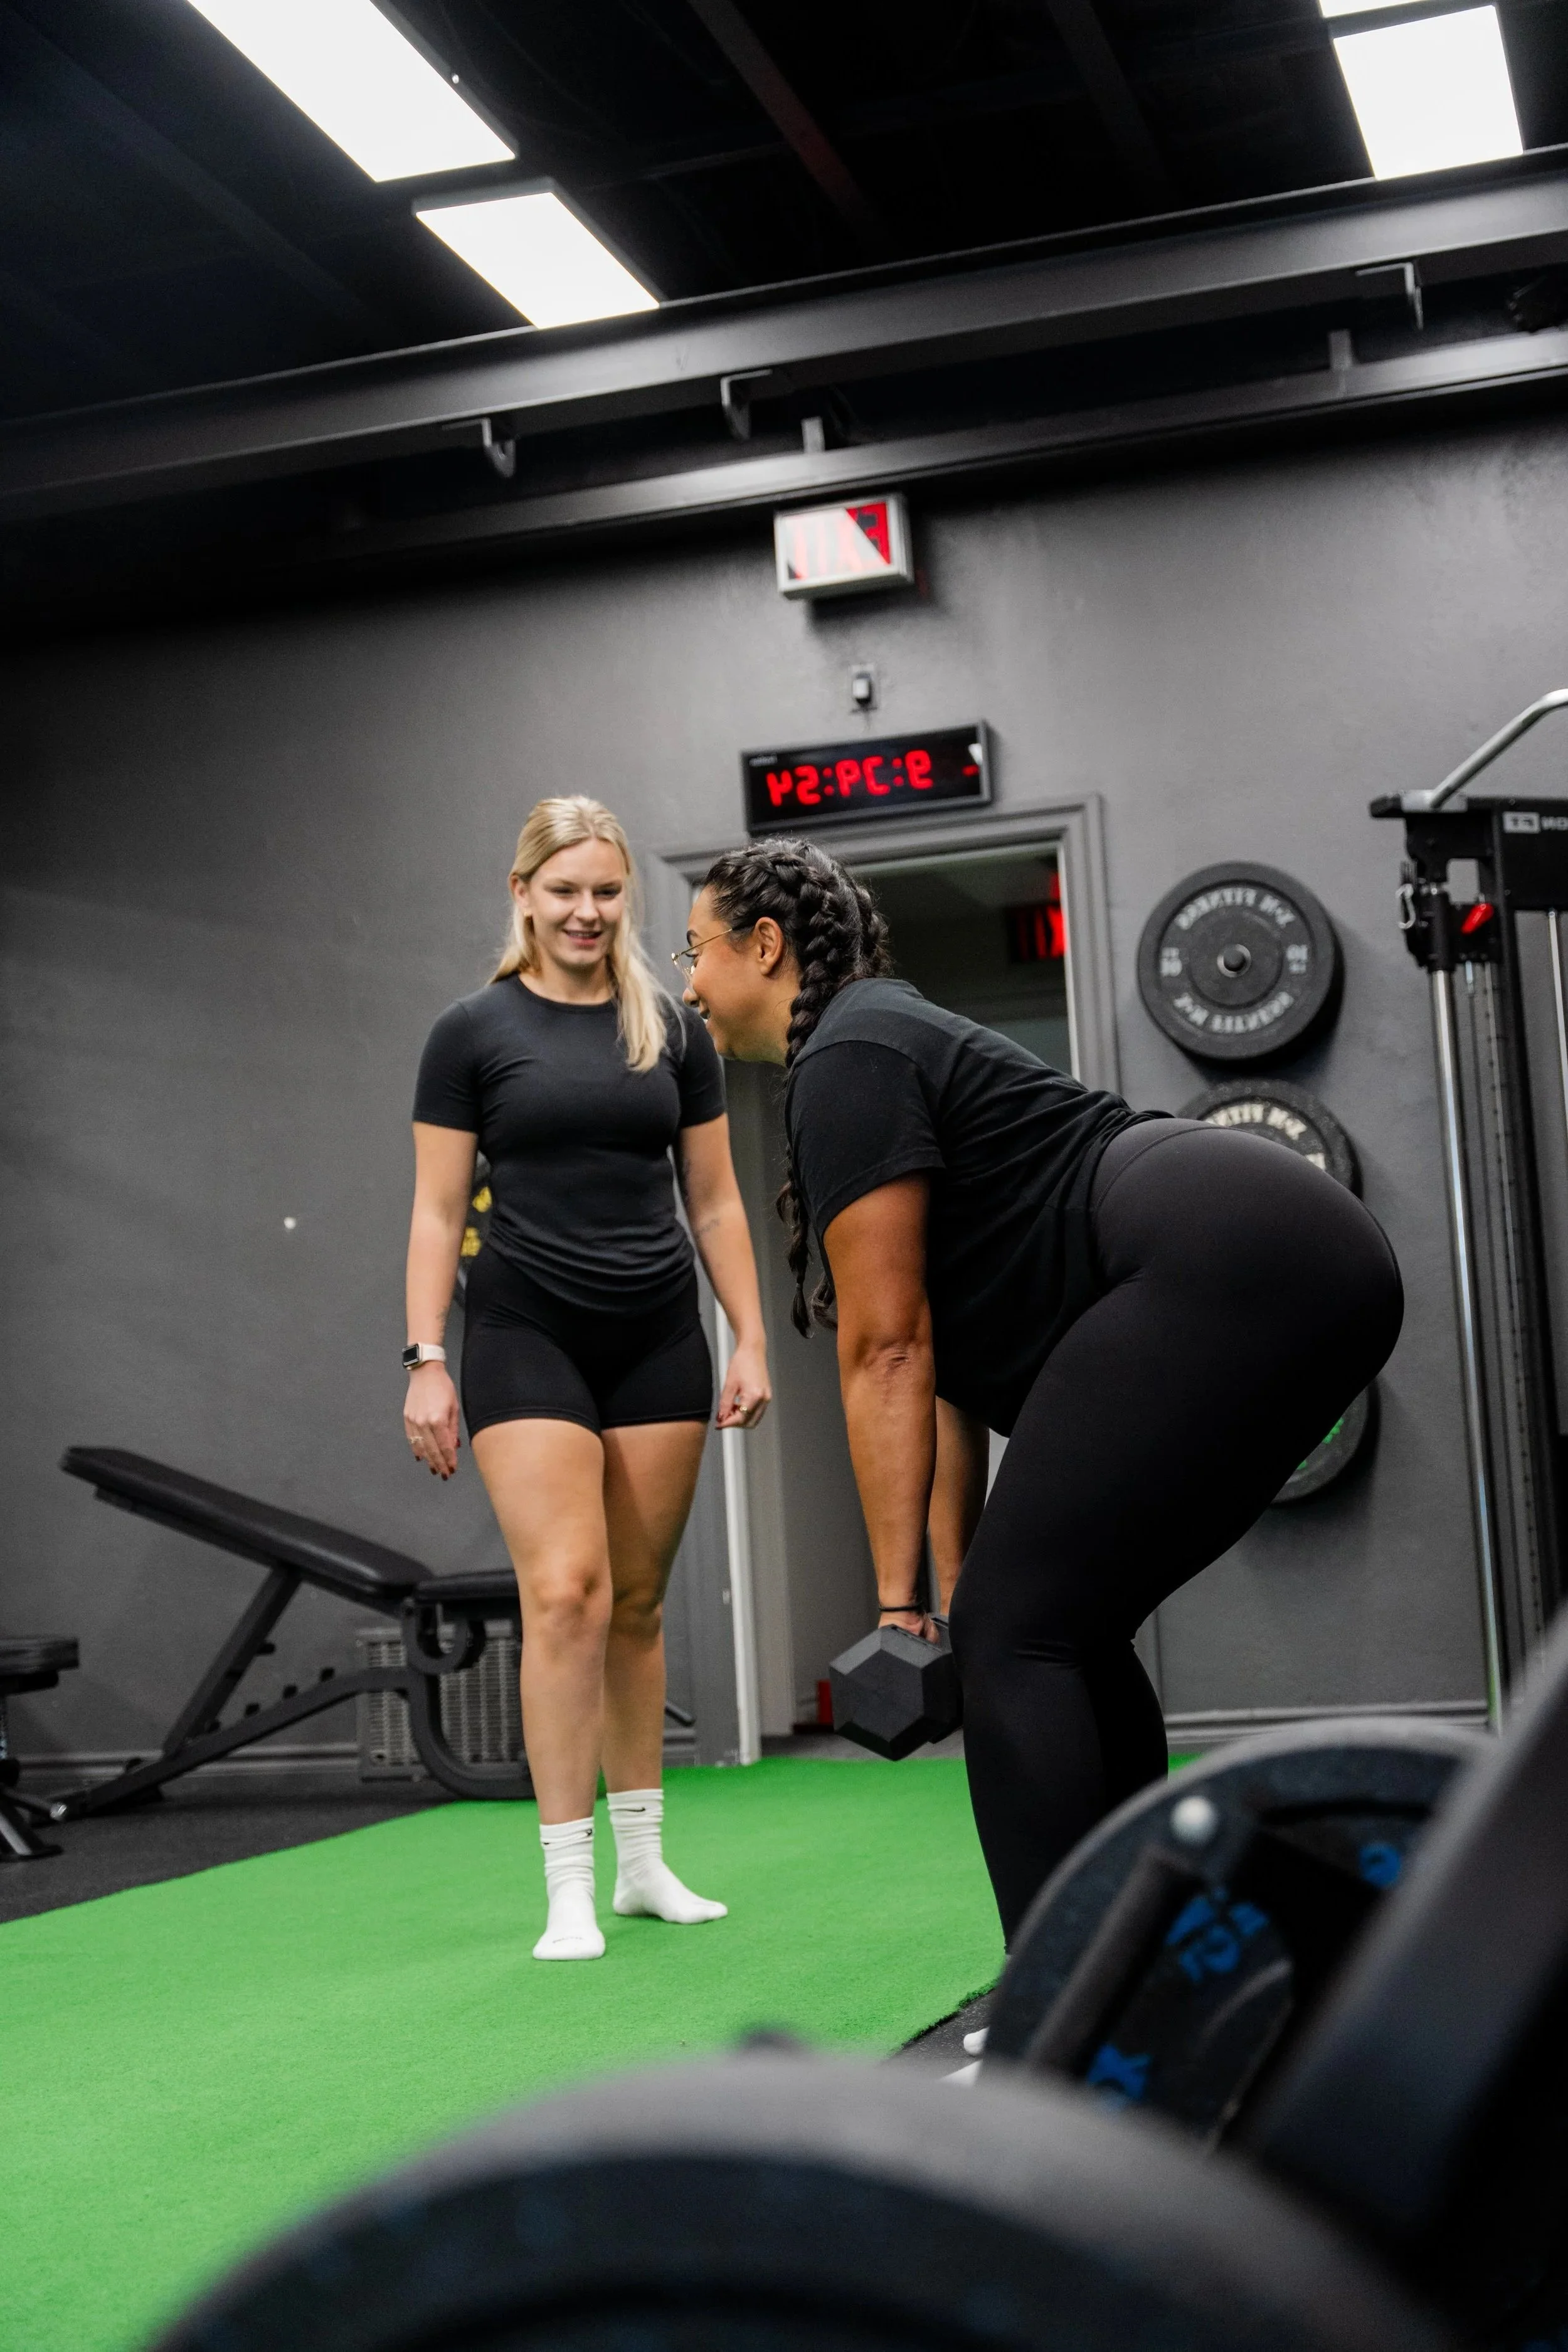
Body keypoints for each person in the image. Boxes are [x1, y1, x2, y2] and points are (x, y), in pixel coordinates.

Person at [681, 837, 1402, 1941]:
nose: (688, 984)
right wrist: (959, 1591)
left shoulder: (846, 1052)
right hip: (1297, 1252)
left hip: (1226, 1251)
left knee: (1026, 1633)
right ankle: (1145, 1966)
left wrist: (894, 1606)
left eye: (694, 952)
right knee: (1059, 1624)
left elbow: (887, 1348)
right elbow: (947, 1381)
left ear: (763, 945)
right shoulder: (882, 1035)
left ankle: (1067, 1998)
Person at [403, 796, 771, 1961]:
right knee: (566, 1591)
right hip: (523, 1330)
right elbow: (434, 1206)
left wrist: (750, 1334)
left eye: (607, 891)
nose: (587, 910)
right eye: (564, 889)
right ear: (523, 893)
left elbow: (713, 1197)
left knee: (641, 1601)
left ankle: (644, 1864)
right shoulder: (471, 1031)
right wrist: (423, 1355)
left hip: (658, 1332)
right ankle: (569, 1882)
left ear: (628, 897)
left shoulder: (673, 1027)